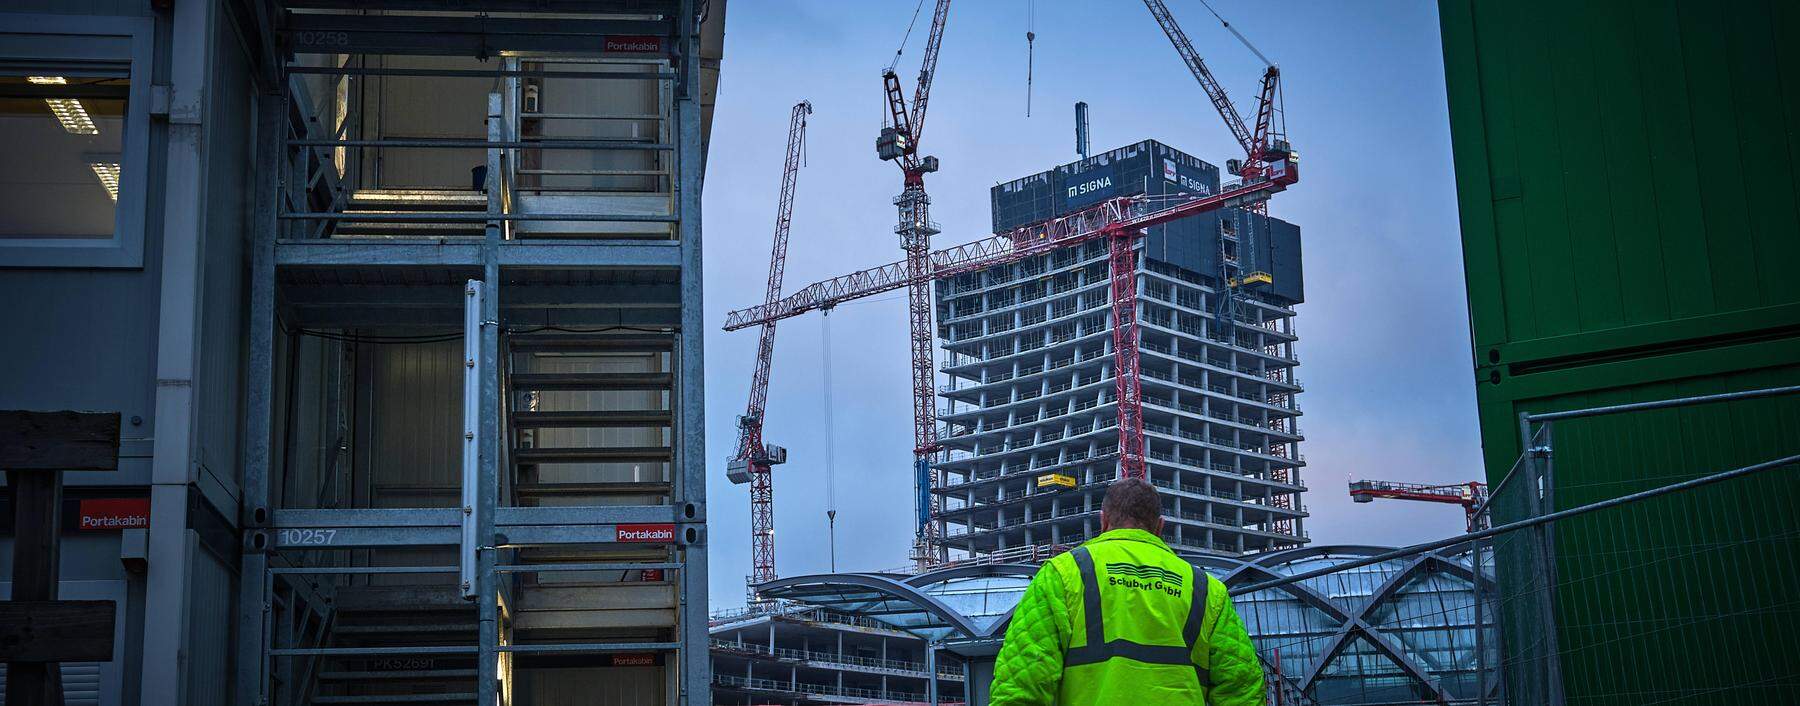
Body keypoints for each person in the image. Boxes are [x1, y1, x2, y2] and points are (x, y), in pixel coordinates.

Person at [988, 477, 1264, 705]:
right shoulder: (1205, 589)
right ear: (1160, 527)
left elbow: (1021, 687)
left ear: (1103, 520)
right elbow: (1242, 691)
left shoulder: (1062, 575)